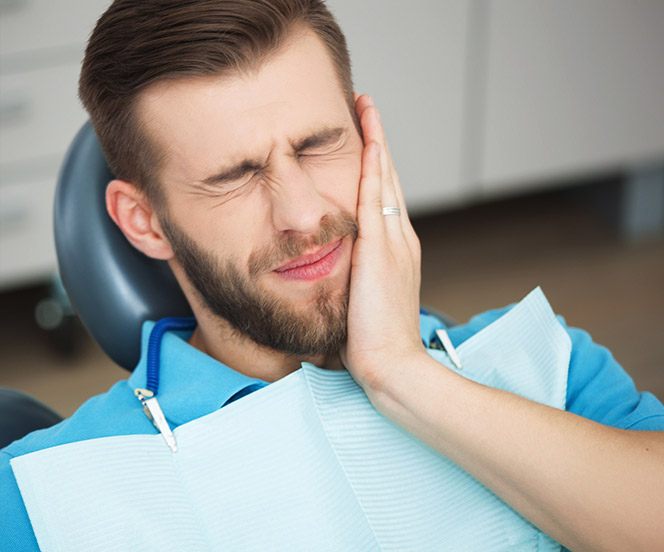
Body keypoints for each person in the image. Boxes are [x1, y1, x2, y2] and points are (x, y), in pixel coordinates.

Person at [2, 1, 663, 549]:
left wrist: (404, 376)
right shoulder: (45, 493)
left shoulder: (545, 367)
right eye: (237, 177)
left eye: (318, 145)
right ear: (144, 221)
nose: (303, 213)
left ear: (366, 135)